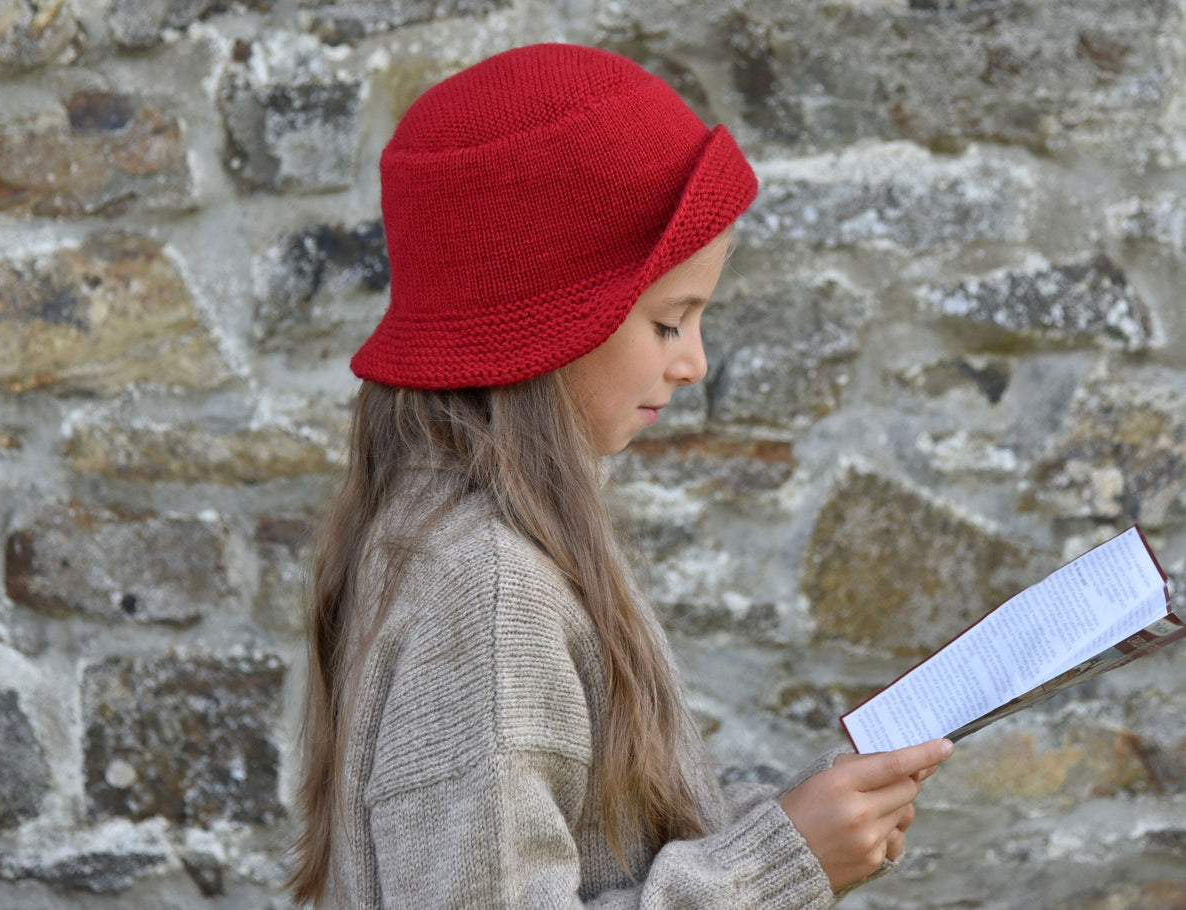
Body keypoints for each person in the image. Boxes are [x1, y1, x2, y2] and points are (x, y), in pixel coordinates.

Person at [288, 42, 953, 908]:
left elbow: (597, 849)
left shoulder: (463, 534)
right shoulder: (489, 593)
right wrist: (779, 867)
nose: (696, 364)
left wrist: (796, 820)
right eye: (669, 322)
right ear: (546, 325)